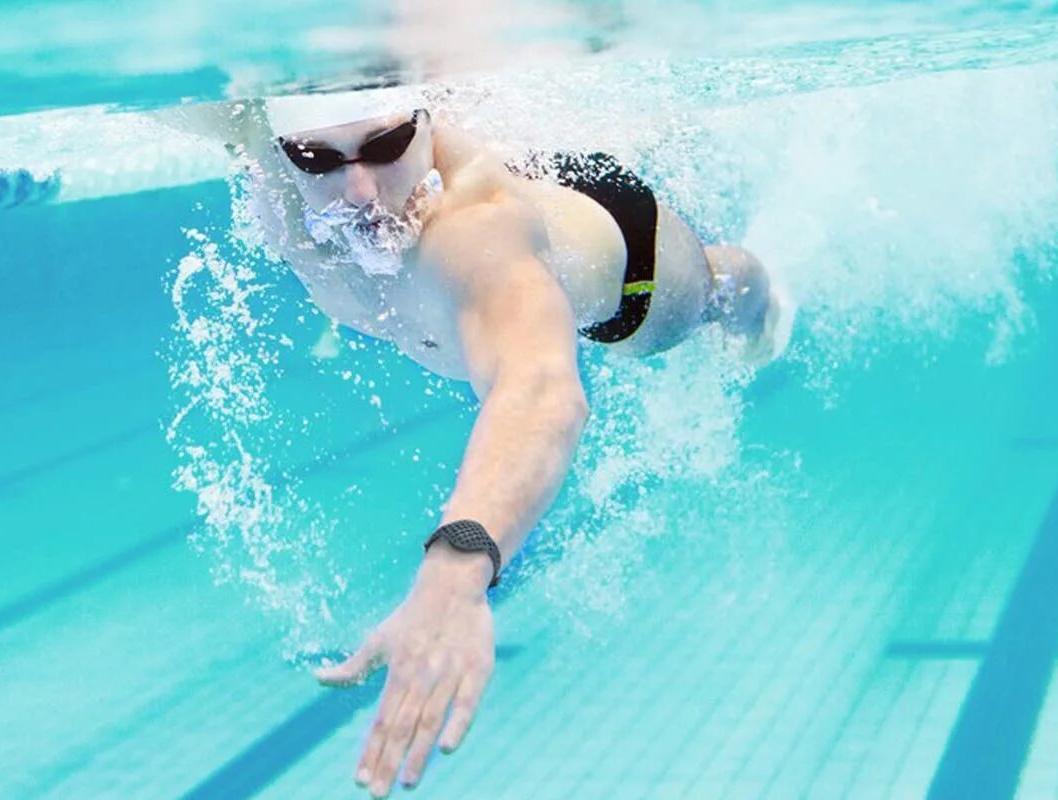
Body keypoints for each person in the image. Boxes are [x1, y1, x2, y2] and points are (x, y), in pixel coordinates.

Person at [206, 83, 791, 798]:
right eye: (316, 157)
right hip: (522, 175)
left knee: (714, 296)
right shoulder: (269, 160)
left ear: (421, 125)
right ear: (282, 149)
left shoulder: (469, 233)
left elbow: (540, 387)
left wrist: (456, 571)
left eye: (387, 146)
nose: (357, 190)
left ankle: (757, 288)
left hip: (619, 251)